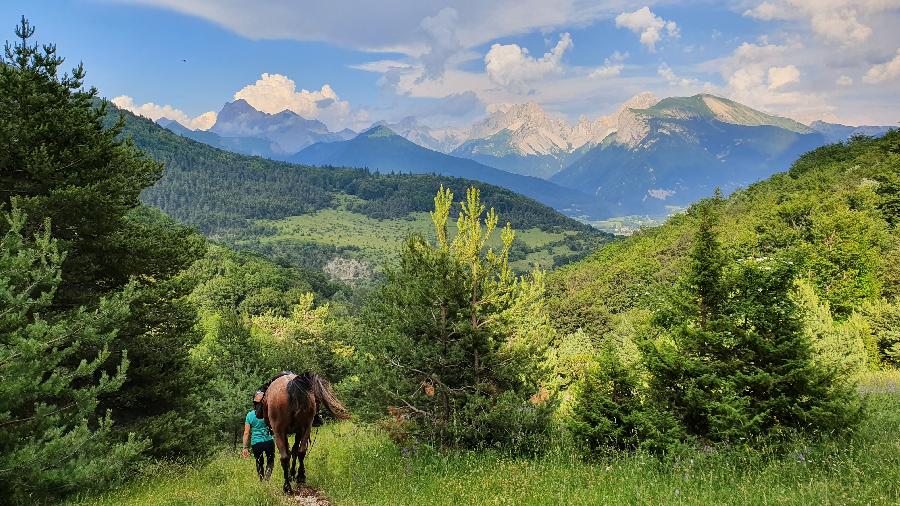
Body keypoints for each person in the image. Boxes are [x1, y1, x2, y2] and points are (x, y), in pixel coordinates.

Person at [242, 391, 275, 480]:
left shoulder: (249, 415)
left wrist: (245, 447)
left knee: (259, 462)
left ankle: (261, 480)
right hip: (268, 441)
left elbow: (246, 432)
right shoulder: (268, 413)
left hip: (256, 443)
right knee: (270, 461)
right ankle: (267, 478)